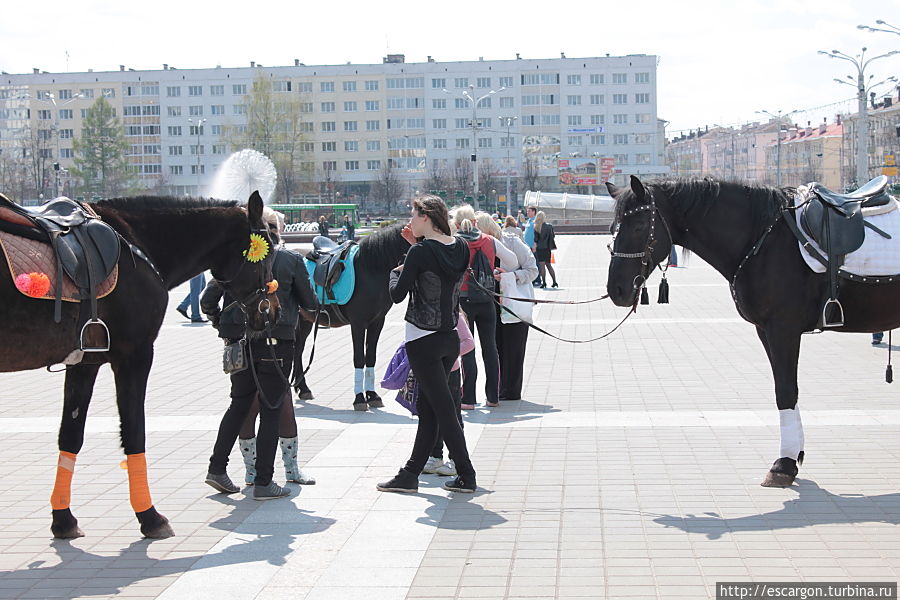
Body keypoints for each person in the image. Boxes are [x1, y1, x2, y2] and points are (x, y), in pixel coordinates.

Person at [202, 207, 320, 500]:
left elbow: (207, 300)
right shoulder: (290, 260)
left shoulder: (234, 260)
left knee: (239, 404)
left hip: (238, 342)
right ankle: (265, 482)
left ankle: (217, 468)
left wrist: (222, 323)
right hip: (275, 341)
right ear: (275, 231)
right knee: (272, 406)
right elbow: (310, 302)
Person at [377, 194, 477, 494]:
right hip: (449, 337)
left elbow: (397, 295)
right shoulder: (460, 246)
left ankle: (467, 473)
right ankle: (409, 474)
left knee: (443, 409)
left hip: (423, 340)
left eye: (413, 215)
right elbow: (437, 264)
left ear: (427, 217)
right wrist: (412, 252)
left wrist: (396, 272)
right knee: (428, 407)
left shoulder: (420, 252)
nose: (409, 221)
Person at [455, 208, 517, 408]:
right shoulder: (490, 240)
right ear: (475, 221)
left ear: (456, 225)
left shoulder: (454, 243)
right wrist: (498, 271)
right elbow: (513, 260)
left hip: (463, 302)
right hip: (487, 298)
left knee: (467, 348)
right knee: (490, 348)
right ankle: (493, 397)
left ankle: (469, 399)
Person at [423, 312, 475, 477]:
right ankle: (435, 455)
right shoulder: (426, 314)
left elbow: (469, 342)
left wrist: (448, 353)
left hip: (451, 371)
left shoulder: (455, 315)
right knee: (433, 415)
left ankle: (455, 460)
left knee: (453, 415)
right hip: (431, 371)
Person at [495, 218, 539, 402]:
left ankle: (511, 391)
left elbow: (532, 270)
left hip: (515, 304)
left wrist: (510, 277)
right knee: (496, 349)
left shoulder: (512, 242)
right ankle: (497, 389)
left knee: (514, 348)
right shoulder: (476, 245)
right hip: (492, 305)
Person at [534, 210, 558, 288]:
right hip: (547, 248)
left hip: (540, 248)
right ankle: (554, 282)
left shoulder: (536, 226)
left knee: (542, 266)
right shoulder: (549, 226)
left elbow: (536, 239)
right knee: (549, 265)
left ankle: (544, 283)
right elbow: (553, 236)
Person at [523, 206, 541, 286]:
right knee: (529, 264)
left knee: (535, 264)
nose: (527, 212)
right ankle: (532, 280)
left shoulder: (535, 222)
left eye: (529, 211)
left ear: (534, 212)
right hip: (527, 247)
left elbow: (537, 234)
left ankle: (538, 280)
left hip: (533, 247)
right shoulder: (528, 221)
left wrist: (535, 244)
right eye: (527, 211)